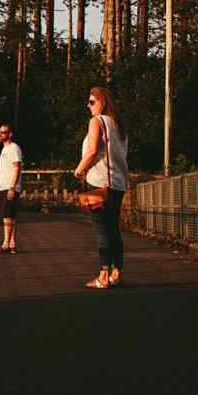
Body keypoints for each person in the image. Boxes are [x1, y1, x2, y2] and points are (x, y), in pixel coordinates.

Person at [73, 87, 129, 289]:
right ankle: (117, 273)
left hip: (97, 183)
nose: (88, 106)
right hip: (118, 183)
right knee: (113, 228)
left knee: (101, 230)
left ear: (102, 102)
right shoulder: (119, 125)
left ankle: (103, 276)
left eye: (91, 102)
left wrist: (78, 170)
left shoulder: (96, 122)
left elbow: (92, 151)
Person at [0, 123, 22, 255]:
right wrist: (0, 188)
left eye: (3, 132)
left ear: (10, 134)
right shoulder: (4, 150)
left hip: (10, 187)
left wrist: (11, 188)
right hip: (4, 187)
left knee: (7, 216)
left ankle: (5, 244)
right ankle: (12, 244)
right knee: (11, 216)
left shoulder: (14, 148)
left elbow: (17, 168)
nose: (0, 134)